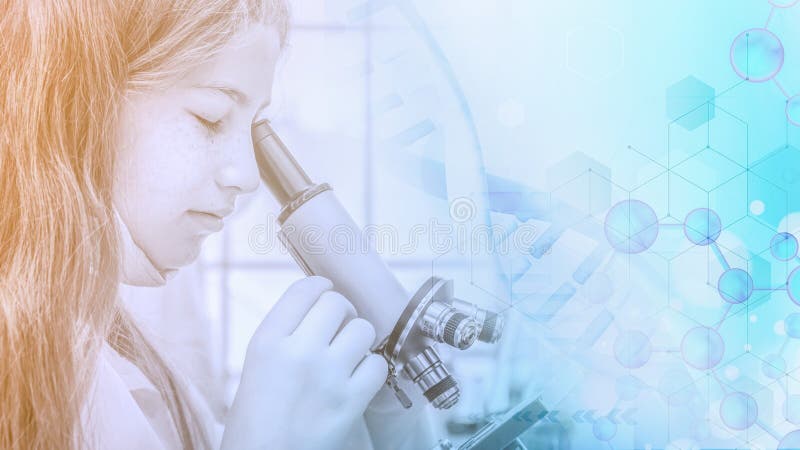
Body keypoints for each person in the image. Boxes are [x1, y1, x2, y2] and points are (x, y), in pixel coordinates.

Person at [0, 1, 433, 449]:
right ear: (80, 102)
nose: (247, 176)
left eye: (253, 130)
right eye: (210, 118)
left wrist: (391, 423)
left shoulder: (114, 348)